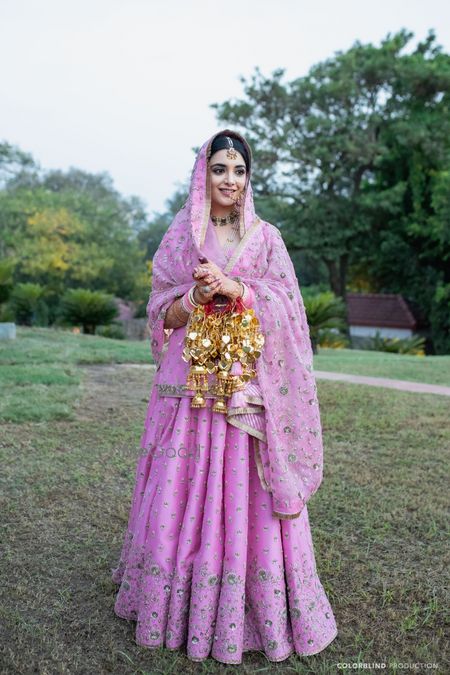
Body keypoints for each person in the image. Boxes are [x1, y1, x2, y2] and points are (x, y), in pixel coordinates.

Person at [111, 129, 338, 665]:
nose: (229, 181)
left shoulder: (266, 239)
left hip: (248, 390)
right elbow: (161, 311)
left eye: (238, 171)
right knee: (179, 484)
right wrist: (197, 295)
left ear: (248, 178)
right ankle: (175, 601)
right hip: (188, 386)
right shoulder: (180, 237)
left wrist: (242, 291)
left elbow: (291, 313)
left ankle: (252, 604)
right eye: (219, 170)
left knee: (243, 486)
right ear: (202, 175)